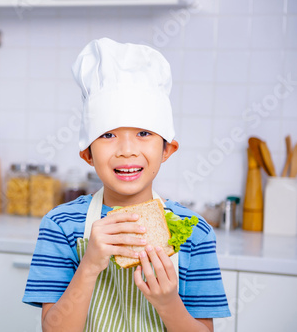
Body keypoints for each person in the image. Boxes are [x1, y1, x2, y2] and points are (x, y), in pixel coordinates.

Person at [22, 38, 230, 331]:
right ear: (87, 154)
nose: (127, 150)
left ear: (167, 149)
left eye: (144, 133)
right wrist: (91, 264)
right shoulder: (61, 226)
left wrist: (168, 302)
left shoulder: (195, 232)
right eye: (108, 135)